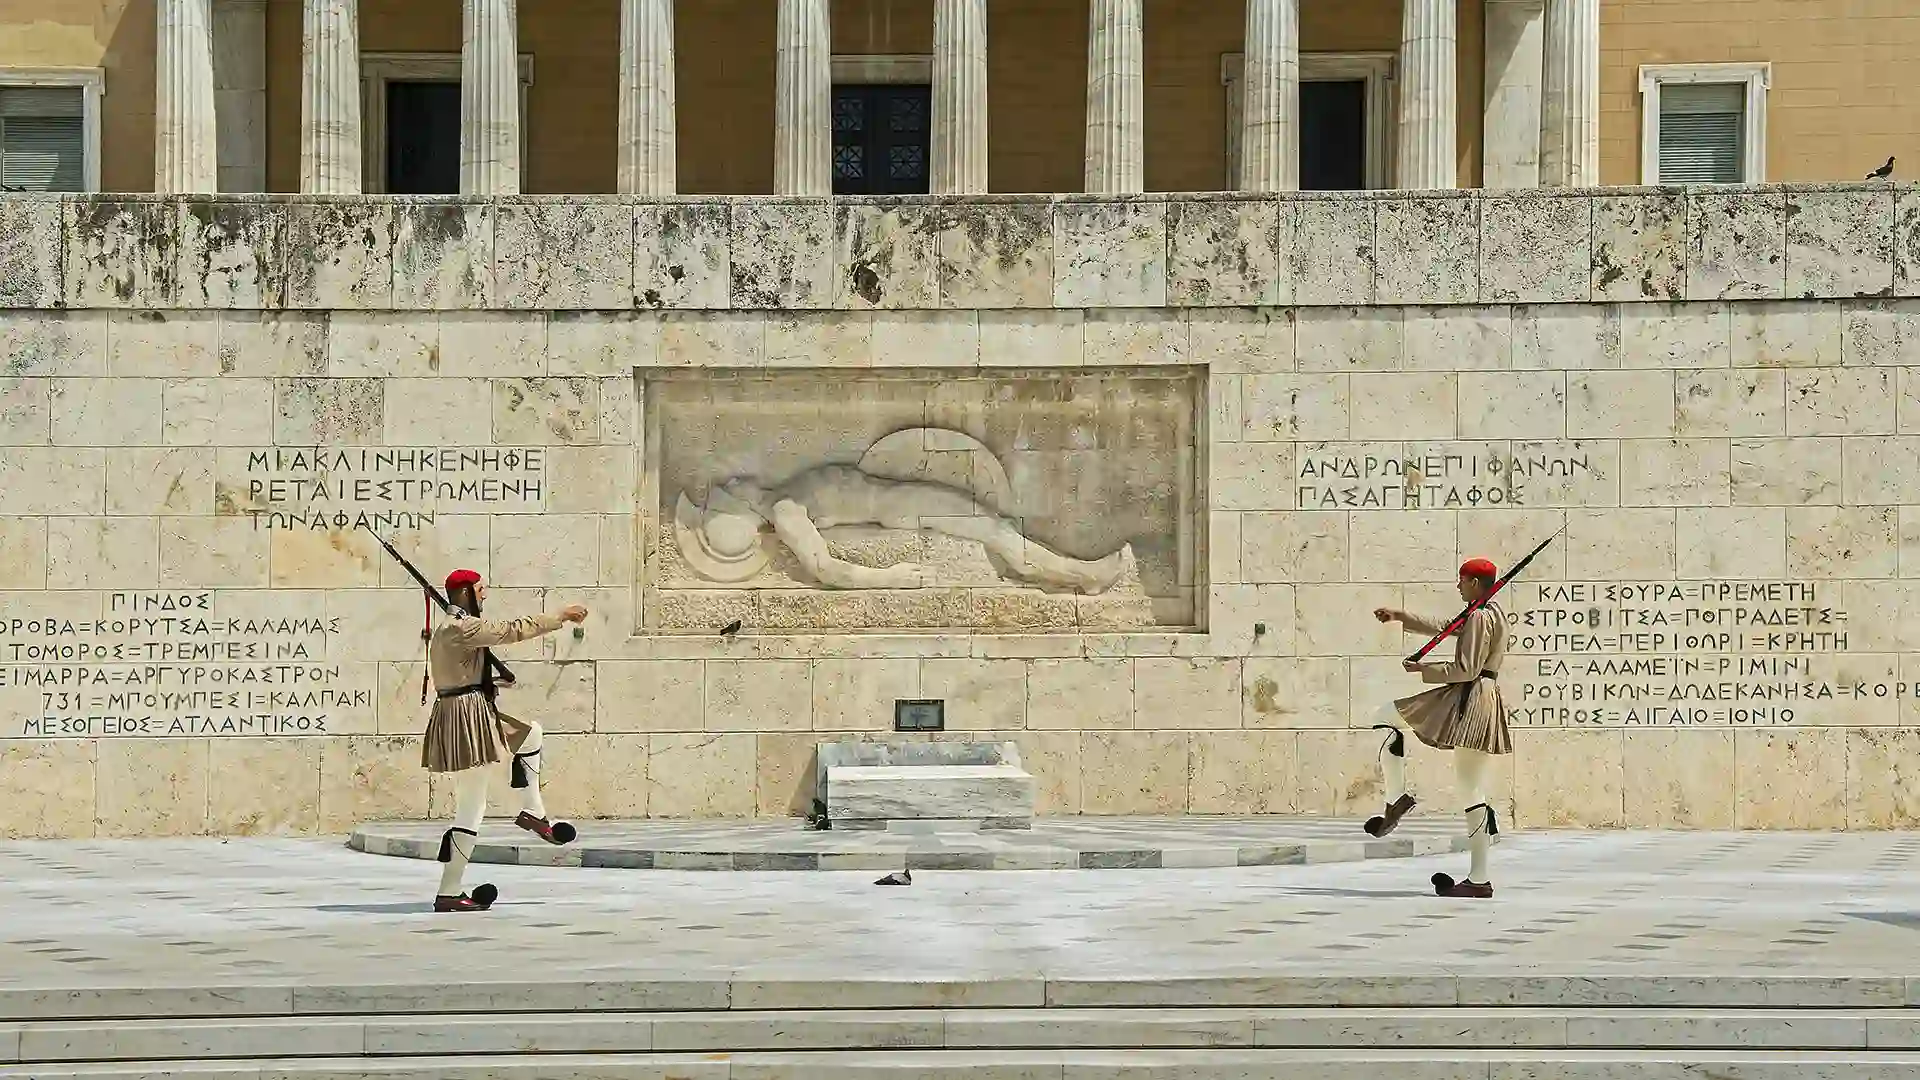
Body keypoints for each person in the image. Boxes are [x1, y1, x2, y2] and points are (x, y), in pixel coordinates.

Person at [423, 568, 589, 913]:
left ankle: (534, 813)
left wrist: (492, 683)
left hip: (471, 709)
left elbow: (459, 676)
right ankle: (449, 891)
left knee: (530, 734)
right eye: (481, 590)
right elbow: (513, 630)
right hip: (467, 719)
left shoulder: (451, 629)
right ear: (467, 593)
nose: (485, 595)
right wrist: (559, 615)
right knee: (471, 806)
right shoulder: (462, 627)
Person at [1369, 557, 1512, 899]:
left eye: (1462, 580)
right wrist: (1402, 616)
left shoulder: (1478, 616)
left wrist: (1423, 670)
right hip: (1483, 698)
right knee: (1471, 789)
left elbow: (1466, 668)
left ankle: (1396, 798)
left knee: (1386, 716)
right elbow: (1447, 625)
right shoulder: (1492, 613)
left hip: (1468, 697)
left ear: (1475, 583)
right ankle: (1479, 879)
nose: (1458, 586)